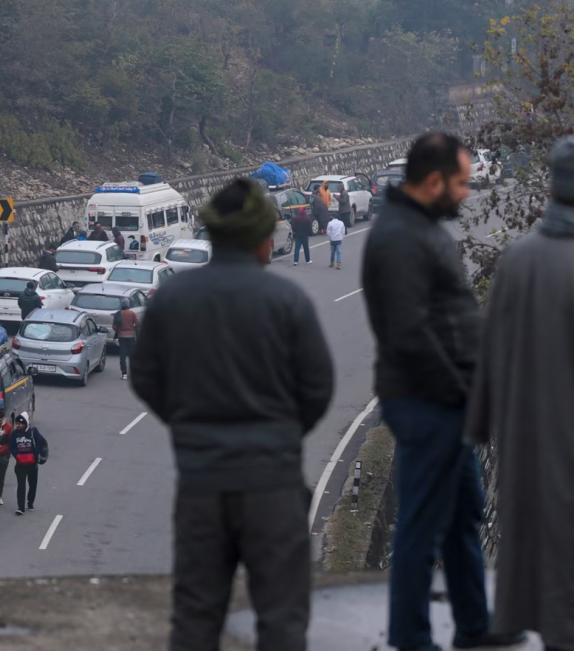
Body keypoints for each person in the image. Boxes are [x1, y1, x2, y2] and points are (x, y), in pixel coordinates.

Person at [131, 177, 334, 651]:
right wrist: (284, 433)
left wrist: (186, 424)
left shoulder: (174, 300)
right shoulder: (288, 301)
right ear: (263, 239)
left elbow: (146, 378)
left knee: (197, 613)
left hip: (202, 482)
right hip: (273, 482)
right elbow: (318, 387)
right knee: (282, 616)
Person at [362, 132, 525, 651]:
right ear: (433, 182)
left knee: (462, 515)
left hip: (449, 402)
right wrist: (461, 392)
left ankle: (474, 626)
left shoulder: (421, 228)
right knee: (421, 526)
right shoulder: (400, 239)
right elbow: (410, 336)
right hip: (428, 402)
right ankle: (412, 638)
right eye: (460, 183)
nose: (466, 193)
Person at [465, 136, 574, 651]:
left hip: (526, 429)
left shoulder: (519, 259)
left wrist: (479, 424)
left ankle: (514, 617)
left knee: (526, 528)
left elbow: (491, 350)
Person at [10, 412, 44, 515]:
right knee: (21, 485)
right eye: (17, 424)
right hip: (20, 465)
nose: (18, 425)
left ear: (26, 423)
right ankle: (21, 507)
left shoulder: (33, 432)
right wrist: (17, 455)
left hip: (32, 465)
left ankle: (30, 502)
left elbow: (40, 444)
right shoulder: (15, 433)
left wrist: (34, 455)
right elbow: (12, 446)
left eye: (20, 424)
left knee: (32, 484)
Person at [113, 298, 138, 380]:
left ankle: (124, 374)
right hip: (131, 336)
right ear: (128, 305)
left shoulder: (118, 314)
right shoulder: (132, 313)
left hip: (121, 336)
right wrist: (133, 329)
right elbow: (138, 324)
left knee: (122, 355)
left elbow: (114, 326)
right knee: (132, 355)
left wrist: (119, 330)